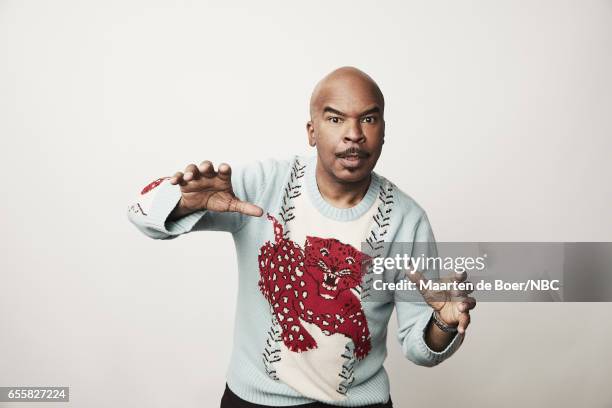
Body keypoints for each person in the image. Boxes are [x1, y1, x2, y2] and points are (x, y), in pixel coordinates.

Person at [127, 67, 476, 408]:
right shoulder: (262, 186)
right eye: (336, 119)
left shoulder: (406, 219)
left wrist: (443, 323)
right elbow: (139, 213)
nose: (354, 134)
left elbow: (421, 347)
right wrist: (181, 204)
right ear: (312, 131)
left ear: (383, 131)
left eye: (368, 119)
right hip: (254, 401)